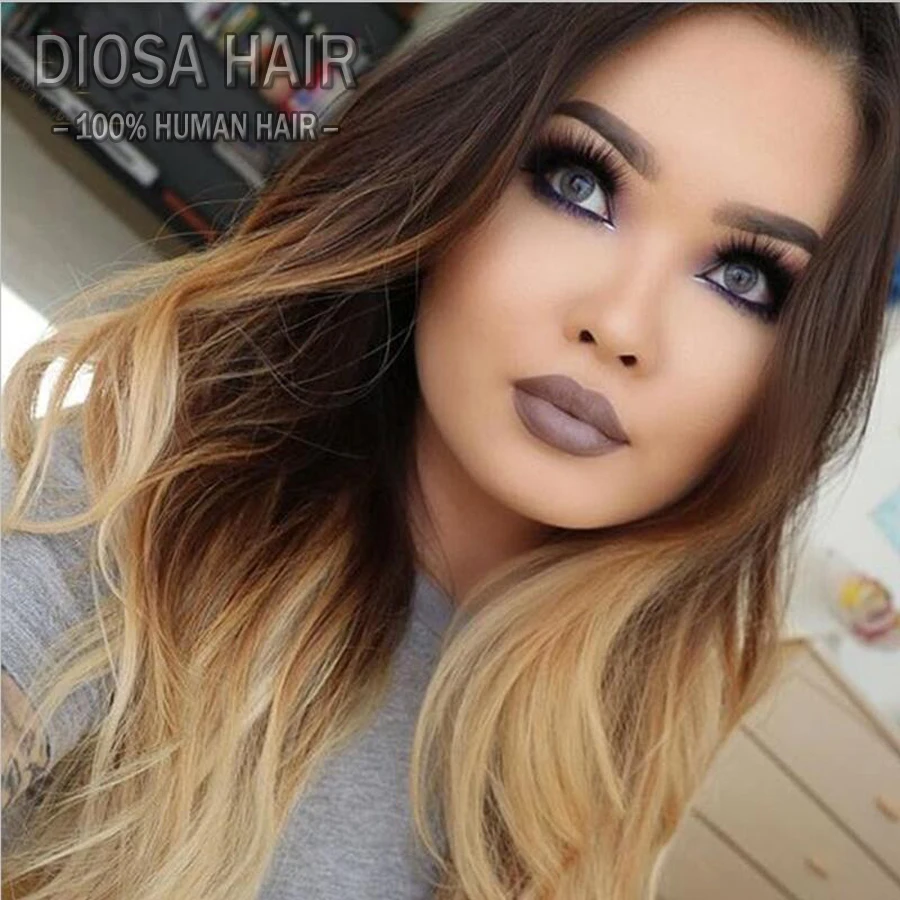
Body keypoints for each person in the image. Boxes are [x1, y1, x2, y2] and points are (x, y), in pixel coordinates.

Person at [2, 4, 899, 899]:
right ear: (453, 165)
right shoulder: (128, 517)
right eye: (579, 184)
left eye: (742, 278)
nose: (622, 325)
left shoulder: (629, 729)